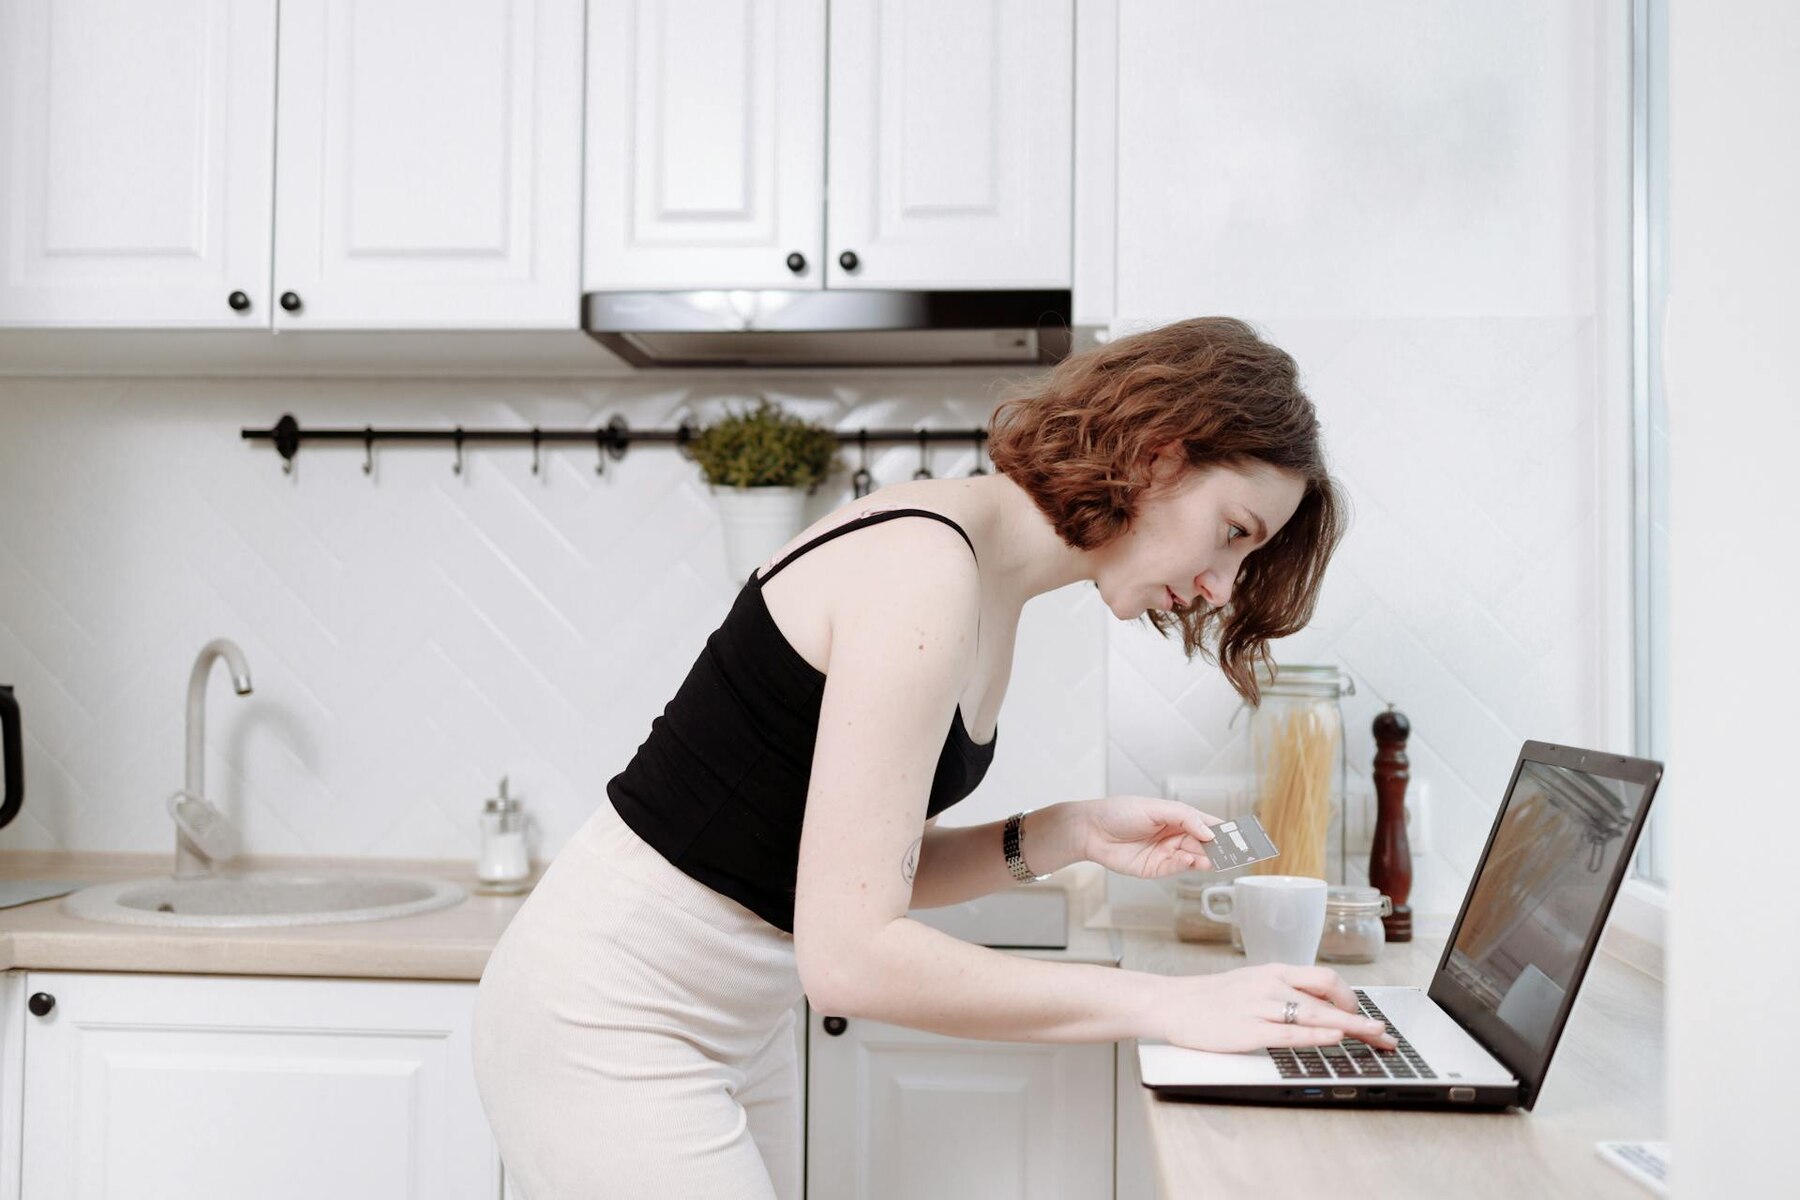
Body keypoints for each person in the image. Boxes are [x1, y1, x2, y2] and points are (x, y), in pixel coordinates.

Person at [471, 316, 1396, 1199]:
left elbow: (862, 879)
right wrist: (1171, 1006)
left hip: (731, 1025)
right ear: (1160, 453)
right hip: (607, 1015)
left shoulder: (985, 586)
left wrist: (1068, 830)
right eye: (1234, 532)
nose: (1220, 587)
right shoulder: (925, 571)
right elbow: (852, 958)